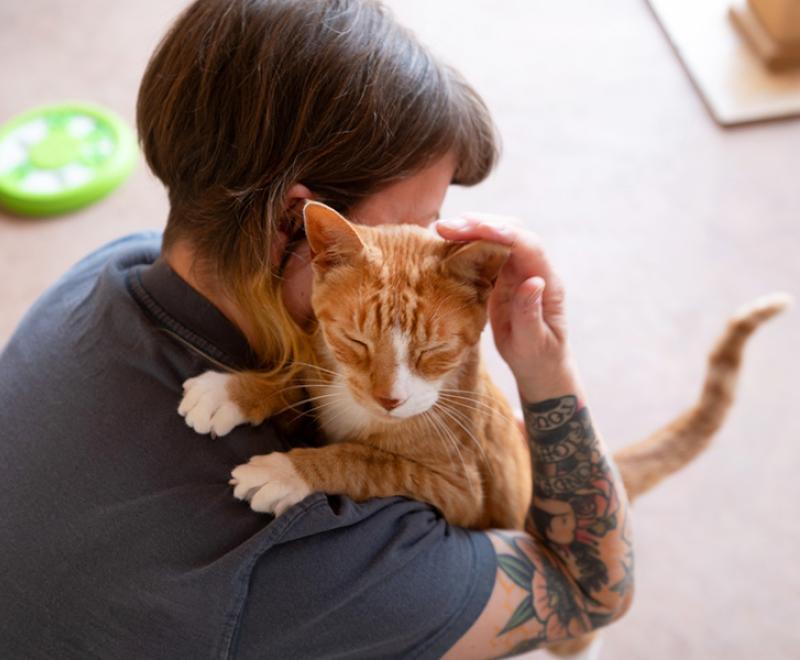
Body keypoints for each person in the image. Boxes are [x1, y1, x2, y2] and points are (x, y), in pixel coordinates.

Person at [0, 1, 633, 658]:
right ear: (304, 230)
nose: (433, 245)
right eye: (419, 222)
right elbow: (594, 591)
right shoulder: (325, 551)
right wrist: (546, 366)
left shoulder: (103, 271)